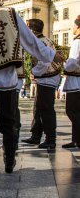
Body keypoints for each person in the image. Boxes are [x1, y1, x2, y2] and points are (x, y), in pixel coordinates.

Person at [0, 0, 63, 179]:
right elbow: (30, 41)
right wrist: (49, 54)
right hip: (8, 80)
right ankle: (9, 161)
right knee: (9, 121)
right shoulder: (11, 14)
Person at [21, 19, 61, 149]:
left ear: (31, 30)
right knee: (38, 108)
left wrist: (33, 71)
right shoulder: (45, 40)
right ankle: (36, 136)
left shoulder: (40, 42)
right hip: (47, 77)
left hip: (47, 77)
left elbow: (44, 62)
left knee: (46, 109)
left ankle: (50, 139)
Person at [62, 16, 80, 148]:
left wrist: (64, 65)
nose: (73, 28)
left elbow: (72, 62)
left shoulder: (77, 42)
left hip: (76, 81)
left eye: (74, 26)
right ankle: (76, 139)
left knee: (71, 111)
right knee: (77, 111)